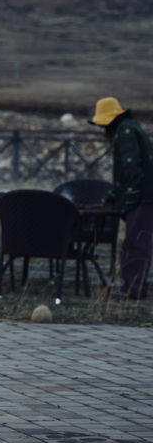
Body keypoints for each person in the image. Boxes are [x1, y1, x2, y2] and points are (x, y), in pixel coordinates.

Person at [90, 96, 153, 299]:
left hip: (142, 197)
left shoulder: (124, 132)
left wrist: (128, 199)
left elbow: (130, 169)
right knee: (140, 242)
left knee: (134, 244)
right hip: (145, 195)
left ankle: (131, 290)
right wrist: (112, 196)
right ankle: (138, 288)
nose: (102, 129)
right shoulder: (131, 127)